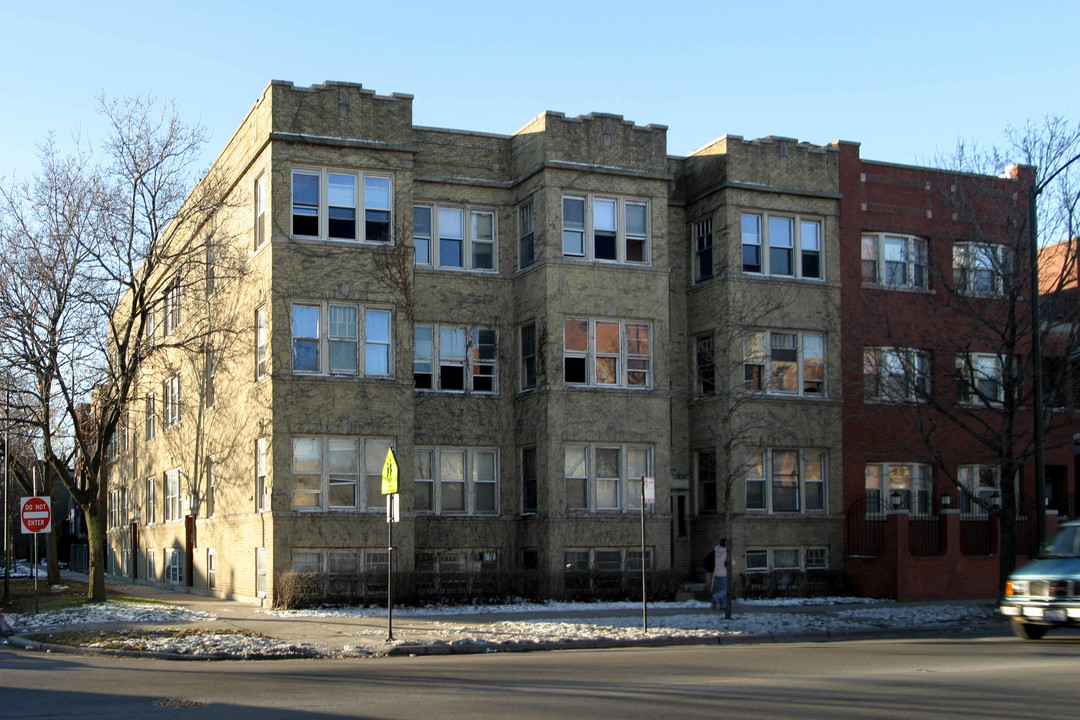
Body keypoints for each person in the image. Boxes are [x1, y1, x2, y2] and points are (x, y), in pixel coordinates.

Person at [711, 541, 728, 610]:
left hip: (716, 573)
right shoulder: (726, 552)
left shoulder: (716, 551)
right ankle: (715, 597)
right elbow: (731, 562)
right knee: (725, 590)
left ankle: (723, 605)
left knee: (721, 589)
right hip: (723, 573)